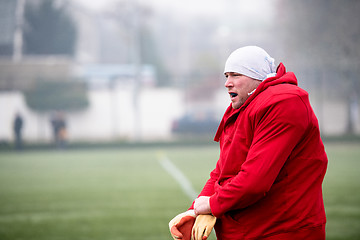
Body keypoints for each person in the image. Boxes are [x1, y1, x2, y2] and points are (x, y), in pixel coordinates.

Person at [169, 46, 328, 240]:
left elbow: (255, 181)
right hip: (250, 230)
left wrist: (211, 204)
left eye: (235, 75)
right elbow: (223, 172)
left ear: (258, 76)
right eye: (226, 76)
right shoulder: (246, 106)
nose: (227, 83)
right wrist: (194, 211)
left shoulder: (283, 102)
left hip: (281, 231)